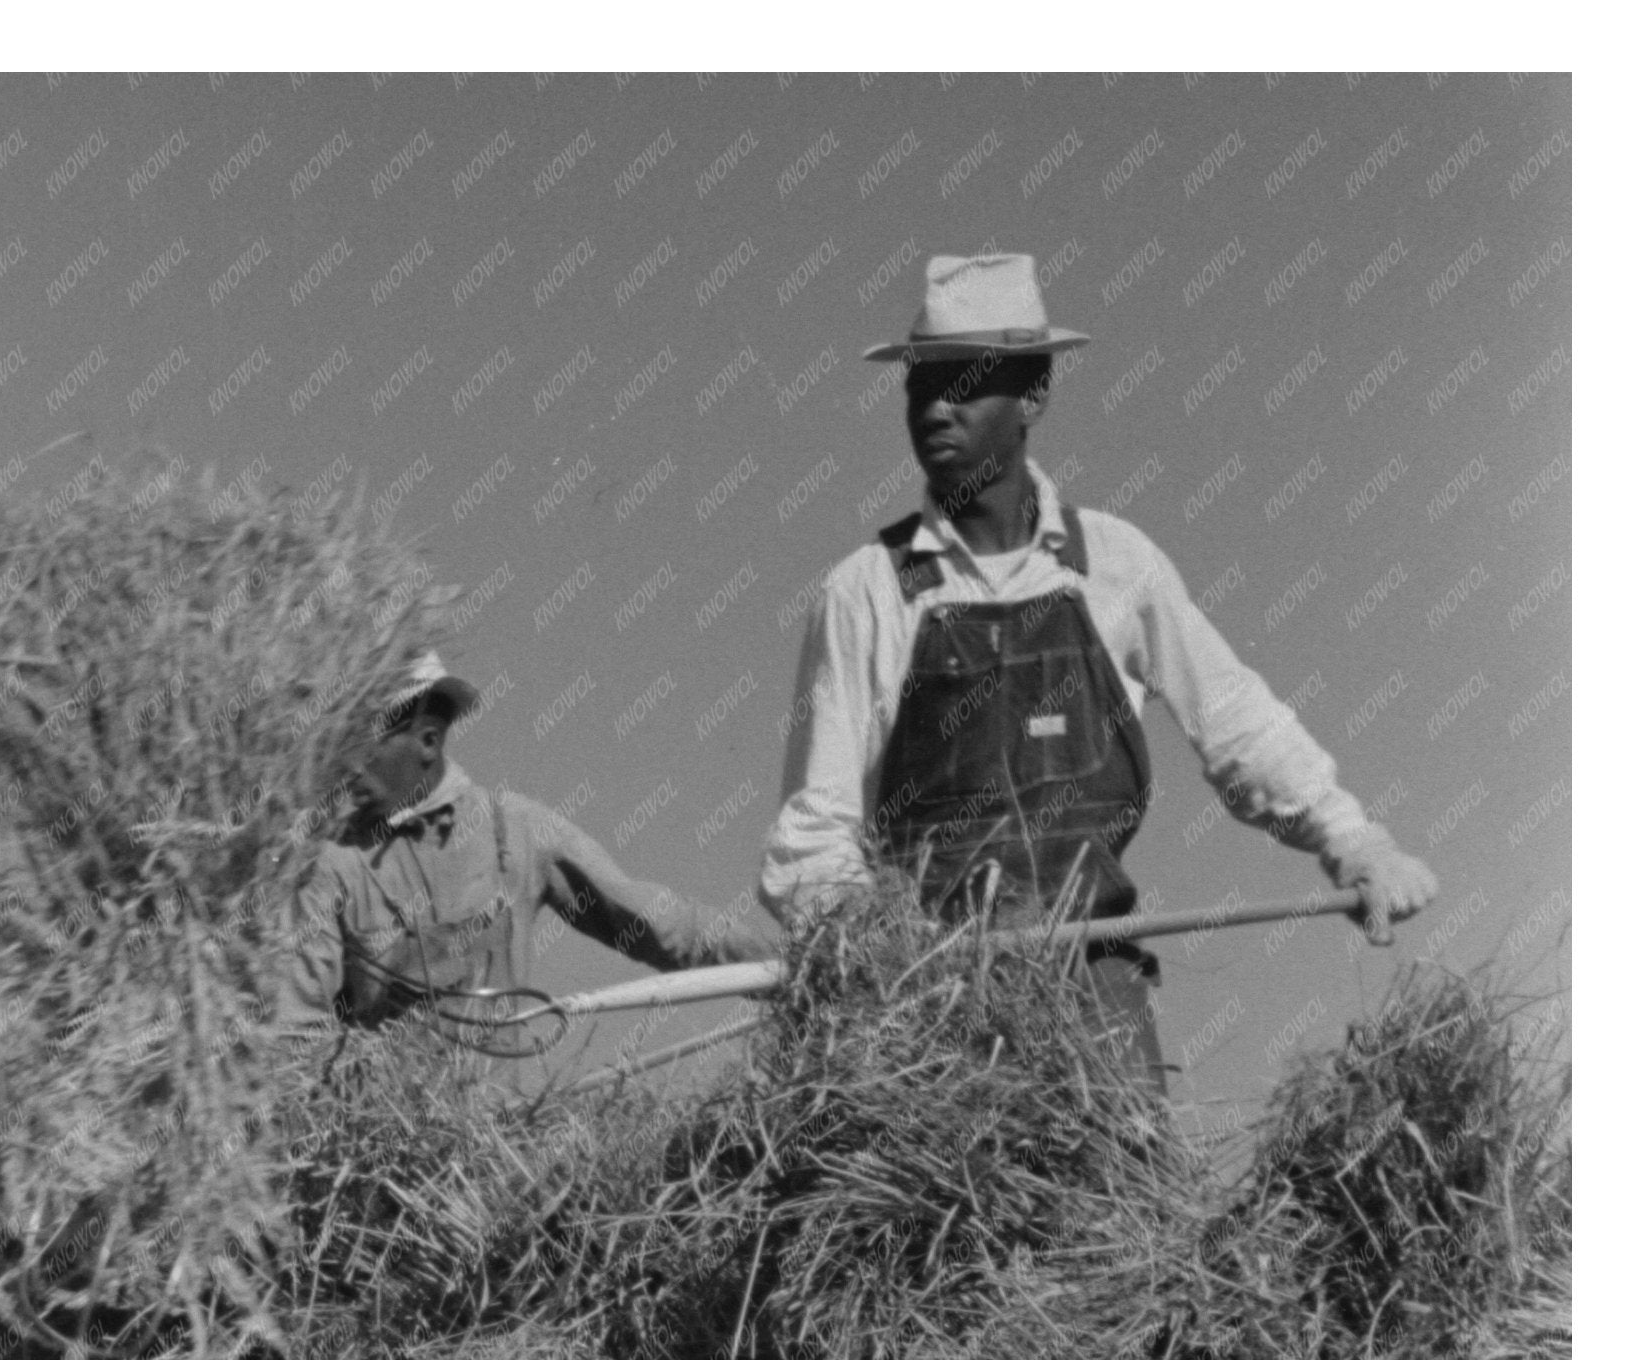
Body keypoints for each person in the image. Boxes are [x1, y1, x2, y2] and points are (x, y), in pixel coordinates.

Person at [762, 251, 1439, 1090]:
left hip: (1095, 992)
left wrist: (1353, 842)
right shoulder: (866, 588)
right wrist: (866, 966)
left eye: (966, 383)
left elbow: (1238, 725)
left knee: (1126, 1204)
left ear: (1034, 394)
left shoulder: (1115, 564)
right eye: (920, 386)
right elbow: (818, 825)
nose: (936, 407)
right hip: (926, 1005)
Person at [290, 650, 753, 1032]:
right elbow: (296, 1023)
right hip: (376, 1136)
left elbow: (657, 923)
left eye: (360, 748)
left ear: (427, 742)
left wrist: (788, 961)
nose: (345, 767)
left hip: (498, 1131)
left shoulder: (515, 830)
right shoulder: (331, 864)